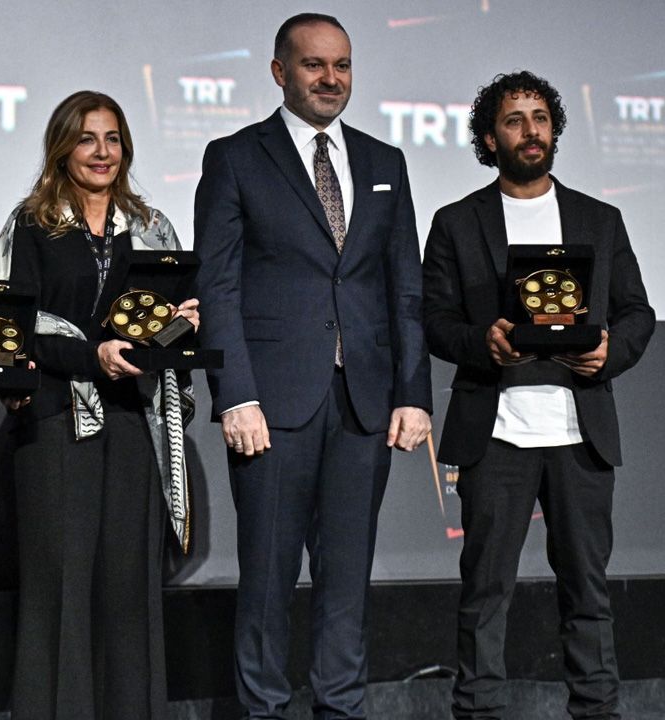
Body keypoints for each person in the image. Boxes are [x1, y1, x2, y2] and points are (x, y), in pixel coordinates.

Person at [193, 13, 432, 719]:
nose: (331, 79)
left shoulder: (384, 162)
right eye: (314, 65)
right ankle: (263, 710)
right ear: (279, 72)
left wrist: (413, 393)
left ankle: (341, 708)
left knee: (347, 579)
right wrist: (234, 394)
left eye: (343, 66)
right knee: (266, 578)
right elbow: (218, 285)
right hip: (270, 403)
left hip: (363, 399)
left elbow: (404, 286)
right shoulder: (235, 156)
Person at [422, 70, 655, 720]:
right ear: (489, 138)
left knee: (588, 591)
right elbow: (432, 321)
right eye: (514, 120)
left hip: (581, 434)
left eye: (540, 118)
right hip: (496, 432)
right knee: (484, 593)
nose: (530, 130)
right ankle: (478, 713)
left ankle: (596, 710)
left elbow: (638, 313)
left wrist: (611, 348)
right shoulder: (456, 222)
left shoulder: (599, 219)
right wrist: (482, 342)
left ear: (554, 130)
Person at [0, 90, 198, 720]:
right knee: (62, 591)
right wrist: (90, 356)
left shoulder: (154, 226)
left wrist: (186, 323)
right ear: (62, 147)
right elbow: (8, 327)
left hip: (135, 421)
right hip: (56, 421)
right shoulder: (31, 223)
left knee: (128, 593)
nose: (101, 152)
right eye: (86, 138)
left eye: (112, 139)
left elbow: (168, 321)